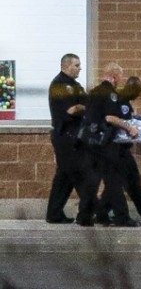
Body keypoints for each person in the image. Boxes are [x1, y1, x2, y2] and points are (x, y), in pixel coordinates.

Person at [96, 76, 141, 225]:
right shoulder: (119, 100)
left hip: (122, 149)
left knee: (132, 181)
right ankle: (117, 215)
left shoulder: (125, 102)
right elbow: (112, 119)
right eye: (138, 91)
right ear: (133, 88)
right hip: (113, 148)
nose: (139, 95)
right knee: (116, 184)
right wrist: (131, 128)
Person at [77, 63, 140, 227]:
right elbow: (110, 117)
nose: (121, 80)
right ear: (114, 76)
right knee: (113, 180)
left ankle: (85, 216)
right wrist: (129, 127)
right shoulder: (110, 94)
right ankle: (122, 217)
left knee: (92, 181)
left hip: (88, 141)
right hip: (103, 143)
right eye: (120, 76)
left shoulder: (93, 92)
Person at [45, 53, 88, 224]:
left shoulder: (75, 85)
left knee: (65, 176)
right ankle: (91, 210)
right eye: (76, 65)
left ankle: (54, 214)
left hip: (74, 135)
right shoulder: (59, 85)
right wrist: (84, 106)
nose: (80, 68)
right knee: (78, 174)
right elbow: (71, 110)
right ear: (65, 66)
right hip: (66, 135)